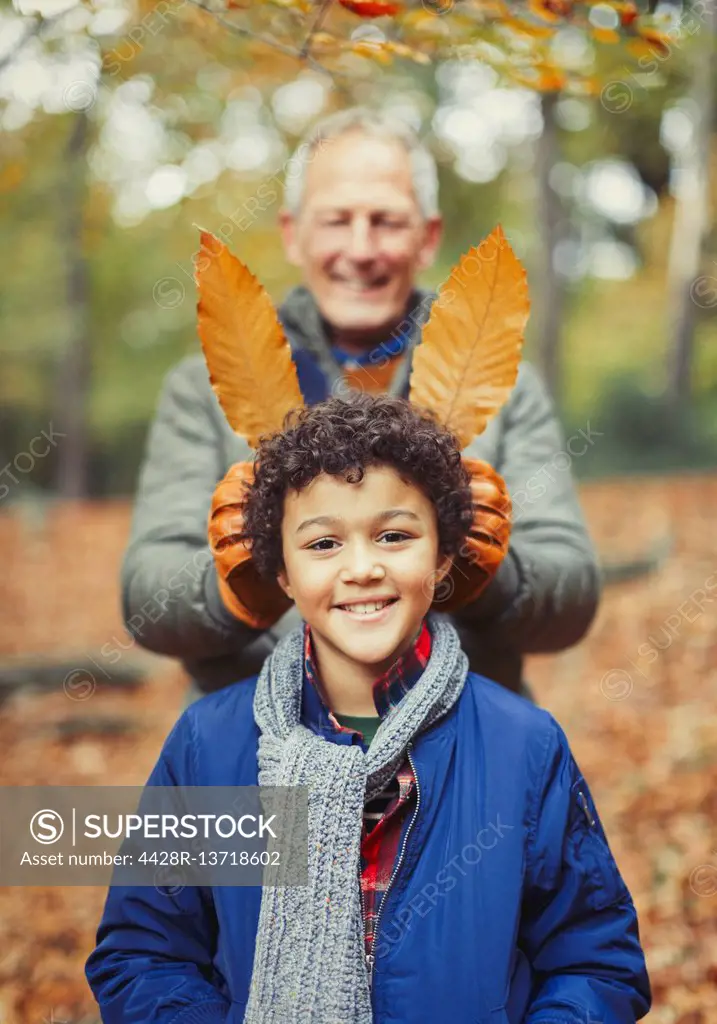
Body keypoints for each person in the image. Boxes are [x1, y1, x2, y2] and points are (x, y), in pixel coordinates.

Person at [86, 394, 650, 1024]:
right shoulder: (213, 745)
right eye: (323, 543)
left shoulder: (523, 744)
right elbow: (145, 953)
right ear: (283, 575)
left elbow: (595, 963)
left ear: (441, 558)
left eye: (394, 535)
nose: (362, 567)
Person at [121, 106, 600, 699]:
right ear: (294, 234)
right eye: (336, 220)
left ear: (427, 237)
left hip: (463, 750)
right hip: (258, 758)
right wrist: (238, 587)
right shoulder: (202, 389)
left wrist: (485, 574)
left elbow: (573, 594)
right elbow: (147, 596)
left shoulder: (507, 386)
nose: (361, 247)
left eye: (387, 221)